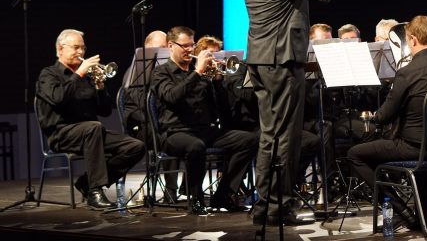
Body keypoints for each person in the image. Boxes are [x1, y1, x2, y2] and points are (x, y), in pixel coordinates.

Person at [241, 0, 357, 226]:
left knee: (270, 135)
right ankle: (278, 208)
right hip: (282, 61)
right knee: (285, 137)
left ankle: (264, 207)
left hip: (260, 60)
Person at [347, 15, 427, 231]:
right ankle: (423, 216)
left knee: (355, 154)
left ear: (412, 39)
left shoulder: (407, 73)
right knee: (419, 144)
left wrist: (374, 115)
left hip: (414, 149)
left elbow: (385, 116)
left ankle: (403, 211)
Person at [150, 26, 259, 215]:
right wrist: (198, 72)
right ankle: (196, 199)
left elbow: (220, 109)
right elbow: (172, 97)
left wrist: (217, 82)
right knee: (196, 146)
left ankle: (223, 194)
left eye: (191, 45)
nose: (190, 50)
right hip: (175, 133)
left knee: (250, 139)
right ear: (170, 45)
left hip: (203, 130)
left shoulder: (200, 74)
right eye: (184, 46)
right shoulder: (161, 72)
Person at [35, 29, 145, 210]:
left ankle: (86, 183)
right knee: (93, 127)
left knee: (135, 147)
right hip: (61, 133)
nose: (80, 53)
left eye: (83, 48)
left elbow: (104, 111)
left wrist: (100, 87)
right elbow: (58, 98)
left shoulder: (86, 77)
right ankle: (95, 191)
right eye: (76, 48)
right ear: (60, 49)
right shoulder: (48, 75)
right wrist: (78, 74)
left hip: (91, 133)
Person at [121, 30, 167, 144]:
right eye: (160, 48)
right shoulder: (135, 72)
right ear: (146, 48)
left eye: (166, 49)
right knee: (170, 140)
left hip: (160, 121)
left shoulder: (165, 72)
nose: (165, 52)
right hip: (140, 124)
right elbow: (143, 104)